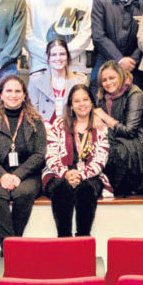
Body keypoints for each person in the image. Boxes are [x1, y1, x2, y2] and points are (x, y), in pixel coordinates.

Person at [0, 75, 47, 246]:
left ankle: (11, 247)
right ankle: (10, 248)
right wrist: (2, 176)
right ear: (0, 94)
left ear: (24, 95)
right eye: (8, 91)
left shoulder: (36, 121)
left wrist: (18, 175)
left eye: (18, 91)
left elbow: (40, 154)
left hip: (27, 174)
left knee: (22, 193)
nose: (13, 95)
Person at [44, 84, 112, 237]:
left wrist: (81, 174)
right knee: (62, 188)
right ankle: (64, 239)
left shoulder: (100, 126)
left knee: (86, 190)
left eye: (85, 99)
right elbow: (51, 155)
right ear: (71, 105)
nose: (82, 104)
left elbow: (101, 159)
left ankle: (83, 238)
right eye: (77, 101)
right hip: (59, 173)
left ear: (92, 102)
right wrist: (66, 173)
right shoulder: (59, 124)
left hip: (90, 175)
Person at [94, 60, 143, 198]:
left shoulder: (135, 95)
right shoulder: (104, 96)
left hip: (137, 144)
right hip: (116, 138)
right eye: (104, 80)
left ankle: (117, 188)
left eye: (112, 78)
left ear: (120, 76)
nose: (108, 82)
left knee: (113, 151)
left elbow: (129, 131)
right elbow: (98, 115)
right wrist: (95, 117)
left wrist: (103, 116)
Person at [26, 0, 92, 72]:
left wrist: (63, 54)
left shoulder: (79, 3)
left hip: (73, 67)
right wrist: (50, 55)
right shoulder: (32, 4)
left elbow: (85, 35)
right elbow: (27, 36)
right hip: (41, 66)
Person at [29, 38, 90, 122]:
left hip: (71, 128)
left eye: (62, 54)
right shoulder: (35, 80)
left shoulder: (80, 81)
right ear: (48, 57)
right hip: (44, 129)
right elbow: (31, 111)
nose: (58, 58)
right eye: (54, 55)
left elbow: (85, 111)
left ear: (67, 56)